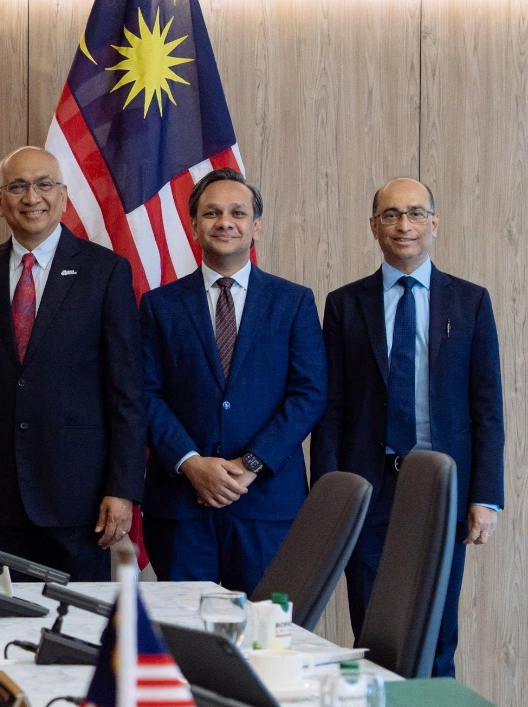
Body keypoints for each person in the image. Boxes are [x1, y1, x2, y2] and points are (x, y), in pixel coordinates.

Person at [311, 178, 503, 677]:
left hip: (442, 489)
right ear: (373, 226)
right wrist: (329, 494)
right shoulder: (344, 304)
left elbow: (487, 409)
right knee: (373, 634)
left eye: (416, 213)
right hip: (369, 488)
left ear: (434, 223)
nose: (404, 225)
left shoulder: (470, 302)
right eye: (391, 215)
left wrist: (486, 497)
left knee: (437, 635)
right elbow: (332, 409)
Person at [0, 146, 144, 580]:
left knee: (79, 618)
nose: (31, 197)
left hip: (80, 500)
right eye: (17, 186)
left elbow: (127, 392)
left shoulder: (106, 272)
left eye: (43, 184)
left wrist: (123, 488)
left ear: (63, 195)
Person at [140, 168, 326, 593]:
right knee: (183, 628)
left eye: (237, 213)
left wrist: (251, 464)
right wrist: (191, 463)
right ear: (193, 226)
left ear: (255, 226)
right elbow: (145, 394)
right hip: (182, 505)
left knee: (266, 628)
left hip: (266, 506)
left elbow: (310, 394)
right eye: (212, 213)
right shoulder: (159, 306)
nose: (225, 222)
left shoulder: (294, 302)